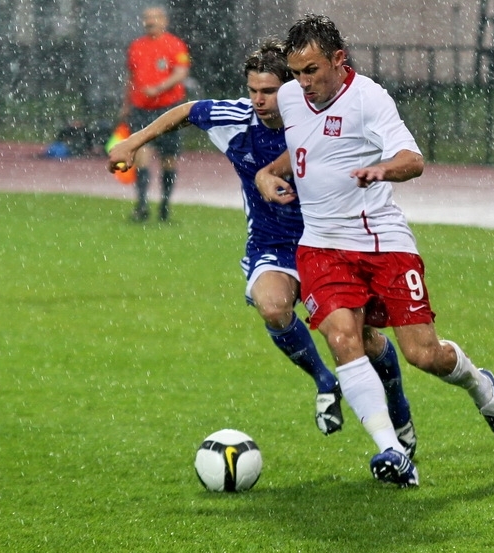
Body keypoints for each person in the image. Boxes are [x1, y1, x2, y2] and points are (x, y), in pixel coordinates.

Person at [107, 40, 417, 455]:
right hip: (271, 243)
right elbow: (188, 110)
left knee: (365, 339)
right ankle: (325, 381)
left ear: (290, 89)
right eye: (252, 90)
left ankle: (398, 408)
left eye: (268, 91)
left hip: (328, 243)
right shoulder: (238, 119)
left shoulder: (315, 119)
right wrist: (134, 143)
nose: (258, 100)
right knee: (273, 307)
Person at [255, 14, 494, 489]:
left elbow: (412, 159)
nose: (302, 83)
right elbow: (303, 150)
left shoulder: (369, 99)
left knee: (424, 355)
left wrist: (382, 170)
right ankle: (391, 450)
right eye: (295, 73)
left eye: (312, 70)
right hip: (321, 247)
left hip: (383, 244)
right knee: (342, 339)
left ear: (338, 60)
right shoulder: (292, 97)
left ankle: (481, 385)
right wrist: (265, 173)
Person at [120, 6, 191, 222]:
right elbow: (131, 77)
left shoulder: (175, 45)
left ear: (164, 21)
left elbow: (181, 72)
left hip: (168, 109)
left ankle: (164, 207)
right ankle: (142, 205)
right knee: (141, 153)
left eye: (154, 18)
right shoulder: (136, 46)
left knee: (168, 158)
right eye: (147, 18)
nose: (150, 22)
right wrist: (126, 104)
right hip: (142, 109)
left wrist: (159, 88)